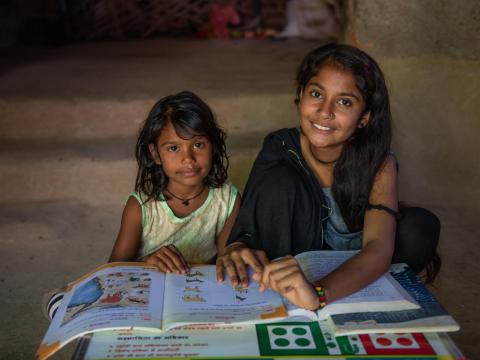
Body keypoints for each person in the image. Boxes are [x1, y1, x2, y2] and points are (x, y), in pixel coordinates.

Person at [216, 44, 440, 311]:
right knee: (278, 183)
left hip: (352, 259)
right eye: (316, 94)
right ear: (300, 95)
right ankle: (283, 293)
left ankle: (362, 294)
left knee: (419, 227)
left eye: (344, 101)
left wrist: (319, 294)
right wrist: (237, 246)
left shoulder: (379, 163)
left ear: (364, 118)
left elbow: (378, 248)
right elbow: (252, 223)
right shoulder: (281, 147)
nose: (325, 111)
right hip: (297, 253)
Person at [44, 91, 240, 320]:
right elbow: (114, 270)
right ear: (155, 154)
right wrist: (146, 263)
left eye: (198, 145)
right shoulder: (141, 207)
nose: (188, 159)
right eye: (173, 148)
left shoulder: (227, 200)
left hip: (197, 293)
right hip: (146, 292)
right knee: (94, 296)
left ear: (213, 146)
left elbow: (227, 261)